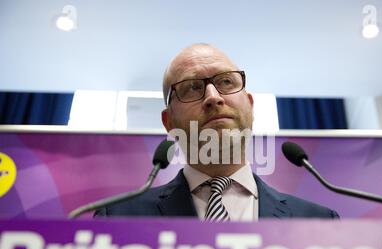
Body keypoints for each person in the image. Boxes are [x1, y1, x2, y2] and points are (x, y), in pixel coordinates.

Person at [95, 43, 339, 221]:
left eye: (226, 82)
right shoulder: (117, 219)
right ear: (168, 122)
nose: (213, 97)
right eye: (192, 87)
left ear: (251, 106)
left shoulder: (318, 223)